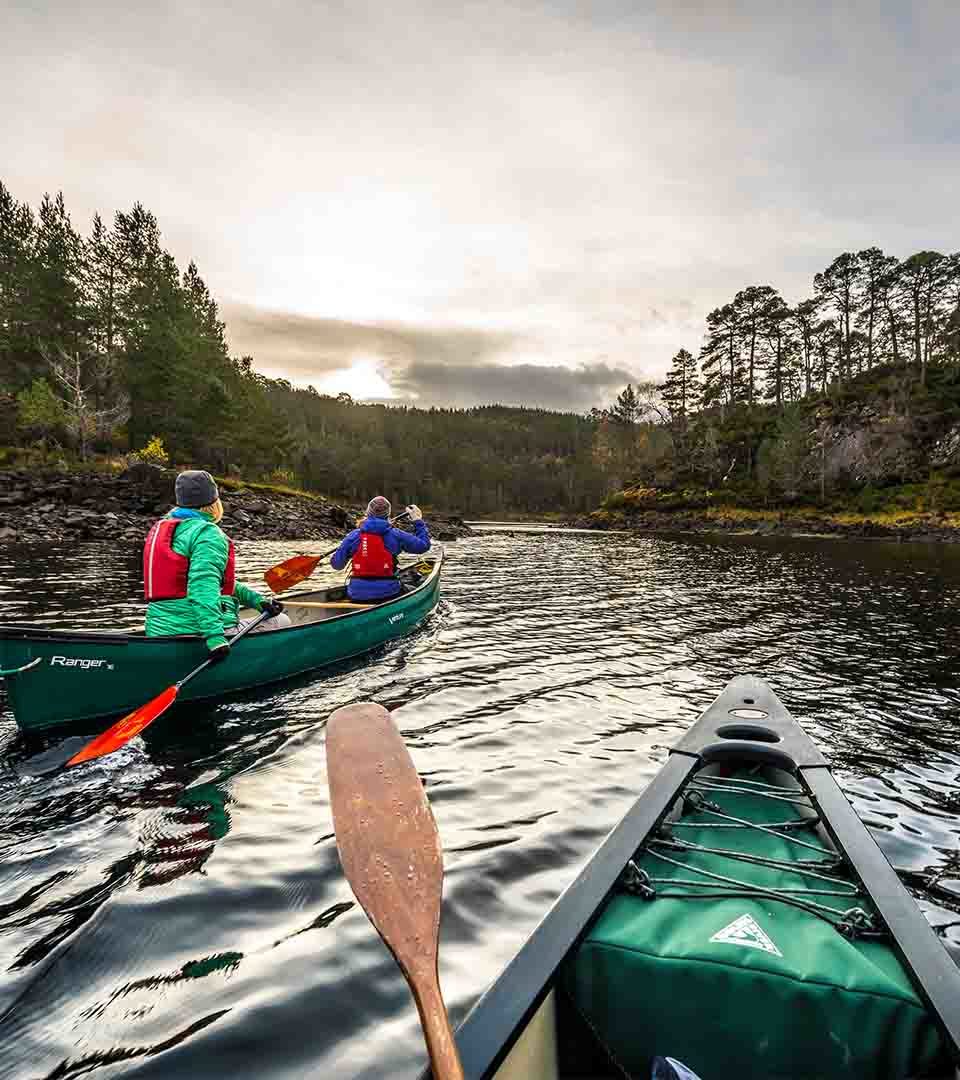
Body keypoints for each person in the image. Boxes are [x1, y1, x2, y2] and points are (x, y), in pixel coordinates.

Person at [144, 469, 289, 662]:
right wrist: (215, 638)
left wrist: (258, 601)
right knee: (283, 621)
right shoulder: (208, 533)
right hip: (196, 631)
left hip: (158, 630)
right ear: (213, 502)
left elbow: (217, 582)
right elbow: (203, 587)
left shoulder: (166, 528)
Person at [330, 496, 430, 602]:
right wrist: (418, 521)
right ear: (388, 514)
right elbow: (423, 546)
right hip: (389, 592)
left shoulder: (353, 536)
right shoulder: (396, 534)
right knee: (414, 587)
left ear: (368, 512)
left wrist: (347, 550)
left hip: (356, 593)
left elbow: (337, 565)